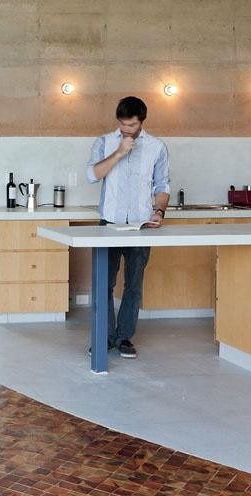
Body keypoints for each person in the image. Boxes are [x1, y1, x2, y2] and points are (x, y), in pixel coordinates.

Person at [85, 96, 170, 359]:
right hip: (109, 223)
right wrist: (120, 151)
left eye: (131, 125)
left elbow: (162, 185)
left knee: (133, 285)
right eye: (122, 124)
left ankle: (124, 338)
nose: (126, 129)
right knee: (104, 284)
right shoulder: (104, 142)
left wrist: (159, 211)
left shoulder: (157, 147)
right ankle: (104, 337)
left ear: (141, 121)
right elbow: (92, 175)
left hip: (141, 225)